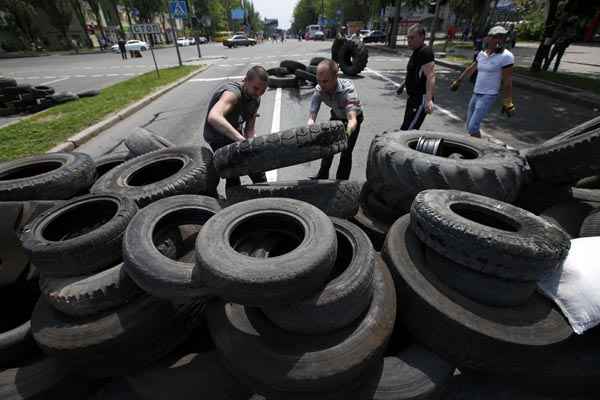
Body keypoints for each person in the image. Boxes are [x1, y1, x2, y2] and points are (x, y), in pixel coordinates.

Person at [204, 66, 269, 188]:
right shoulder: (232, 94)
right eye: (256, 88)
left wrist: (251, 143)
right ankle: (234, 200)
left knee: (257, 166)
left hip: (233, 132)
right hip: (217, 136)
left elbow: (249, 128)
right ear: (245, 80)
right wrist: (240, 139)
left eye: (263, 90)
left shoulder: (255, 98)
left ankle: (267, 193)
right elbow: (213, 117)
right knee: (233, 171)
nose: (258, 93)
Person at [450, 26, 515, 138]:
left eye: (502, 37)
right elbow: (471, 68)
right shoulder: (481, 54)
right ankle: (475, 148)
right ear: (488, 38)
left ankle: (483, 149)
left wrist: (508, 101)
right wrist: (458, 81)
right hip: (476, 93)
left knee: (473, 127)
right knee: (469, 126)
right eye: (496, 37)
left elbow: (507, 81)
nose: (499, 40)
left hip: (489, 95)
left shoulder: (506, 57)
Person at [307, 59, 364, 180]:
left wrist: (347, 133)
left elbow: (352, 119)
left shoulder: (347, 91)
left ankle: (341, 181)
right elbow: (313, 112)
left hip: (352, 119)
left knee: (346, 151)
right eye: (319, 80)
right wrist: (311, 123)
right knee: (328, 148)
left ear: (336, 77)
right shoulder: (320, 88)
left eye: (325, 81)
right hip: (336, 115)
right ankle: (322, 176)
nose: (321, 84)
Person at [397, 24, 435, 131]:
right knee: (406, 127)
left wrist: (429, 100)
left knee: (408, 131)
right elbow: (414, 72)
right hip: (413, 98)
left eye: (412, 37)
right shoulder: (416, 52)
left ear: (422, 37)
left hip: (420, 99)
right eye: (408, 37)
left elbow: (431, 75)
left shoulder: (425, 52)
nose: (409, 40)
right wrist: (403, 84)